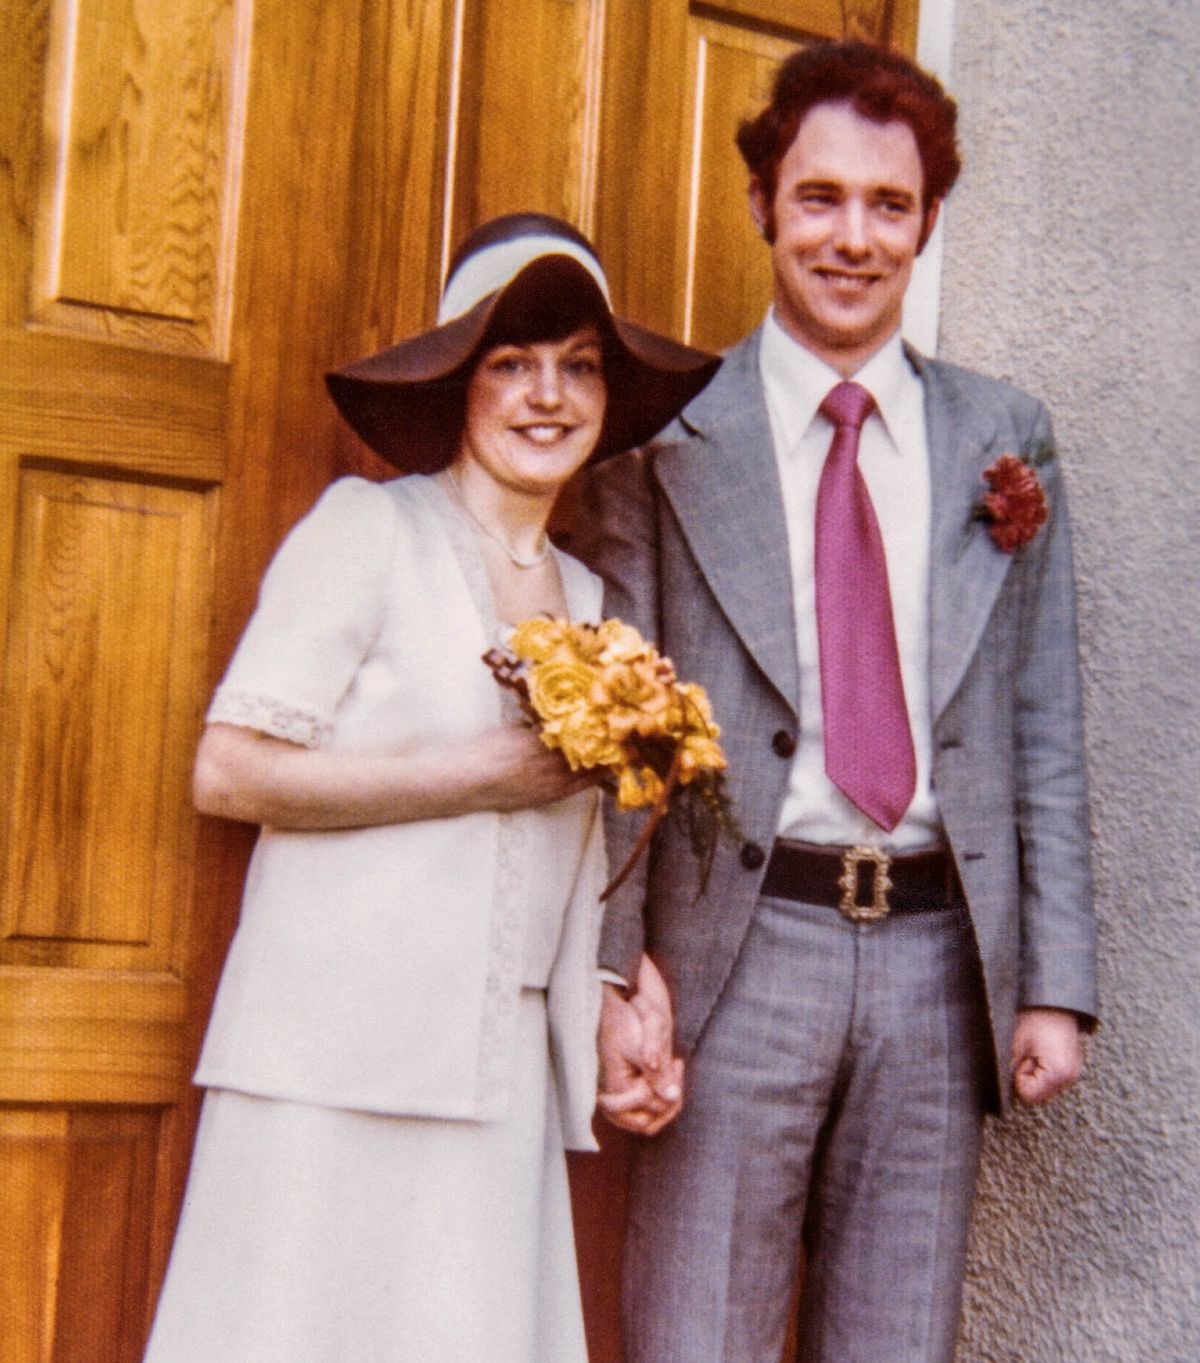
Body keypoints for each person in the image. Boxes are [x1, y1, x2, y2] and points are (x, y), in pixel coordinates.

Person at [575, 41, 1098, 1363]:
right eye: (820, 198)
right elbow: (623, 747)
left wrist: (1058, 982)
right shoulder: (668, 445)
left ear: (928, 220)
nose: (852, 238)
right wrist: (606, 968)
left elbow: (1044, 725)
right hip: (736, 953)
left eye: (889, 205)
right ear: (763, 203)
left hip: (936, 959)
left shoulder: (1004, 434)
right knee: (697, 1331)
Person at [141, 213, 719, 1363]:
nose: (547, 395)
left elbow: (573, 859)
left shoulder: (594, 601)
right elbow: (228, 768)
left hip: (494, 1079)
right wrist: (482, 776)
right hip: (331, 1063)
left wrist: (613, 991)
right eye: (511, 363)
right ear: (460, 385)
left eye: (579, 366)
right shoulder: (370, 532)